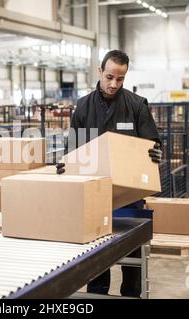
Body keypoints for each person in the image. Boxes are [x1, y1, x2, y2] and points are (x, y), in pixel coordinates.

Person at [58, 50, 162, 297]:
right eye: (109, 77)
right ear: (99, 72)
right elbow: (73, 150)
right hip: (94, 196)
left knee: (132, 261)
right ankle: (96, 296)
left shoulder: (136, 105)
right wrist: (65, 164)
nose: (114, 84)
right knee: (96, 262)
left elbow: (152, 144)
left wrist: (156, 152)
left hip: (129, 198)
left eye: (120, 79)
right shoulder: (83, 107)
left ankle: (132, 294)